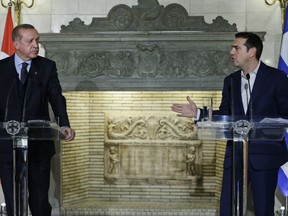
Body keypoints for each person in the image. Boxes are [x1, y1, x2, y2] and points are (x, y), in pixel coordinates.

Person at [171, 32, 288, 215]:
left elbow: (286, 112)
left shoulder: (276, 78)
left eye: (236, 48)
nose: (231, 51)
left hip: (264, 156)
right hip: (235, 156)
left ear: (252, 52)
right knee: (228, 209)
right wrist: (199, 113)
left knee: (263, 210)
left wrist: (265, 124)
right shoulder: (231, 81)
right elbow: (225, 115)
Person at [0, 24, 75, 216]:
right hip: (7, 148)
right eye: (30, 41)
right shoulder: (1, 69)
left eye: (37, 40)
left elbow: (56, 96)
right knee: (13, 201)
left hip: (38, 146)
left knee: (40, 201)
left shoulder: (46, 67)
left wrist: (64, 123)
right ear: (16, 44)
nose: (36, 45)